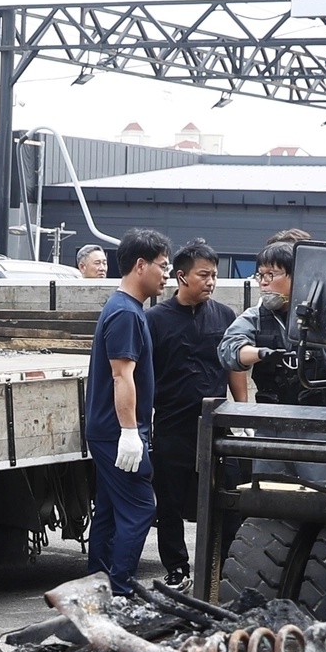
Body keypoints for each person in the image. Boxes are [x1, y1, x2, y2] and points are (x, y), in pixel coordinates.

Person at [144, 239, 246, 588]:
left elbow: (234, 367)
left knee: (228, 499)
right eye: (203, 275)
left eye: (214, 275)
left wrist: (243, 414)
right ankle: (177, 570)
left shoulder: (225, 316)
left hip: (217, 427)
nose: (211, 282)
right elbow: (144, 375)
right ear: (181, 276)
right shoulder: (154, 320)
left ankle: (222, 570)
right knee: (170, 505)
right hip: (173, 426)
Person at [84, 228, 171, 597]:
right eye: (163, 266)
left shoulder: (128, 309)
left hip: (108, 430)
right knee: (138, 511)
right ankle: (120, 592)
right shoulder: (125, 314)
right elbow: (122, 377)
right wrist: (131, 432)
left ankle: (95, 589)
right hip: (116, 432)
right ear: (141, 265)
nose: (167, 274)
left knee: (107, 511)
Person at [218, 240, 326, 407]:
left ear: (297, 276)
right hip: (270, 426)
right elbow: (227, 351)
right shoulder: (255, 317)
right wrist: (262, 353)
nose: (263, 281)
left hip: (322, 427)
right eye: (260, 275)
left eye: (271, 274)